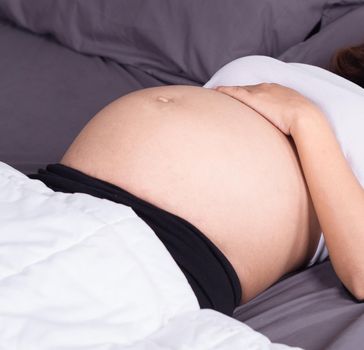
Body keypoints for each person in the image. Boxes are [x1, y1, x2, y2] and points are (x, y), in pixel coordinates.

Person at [29, 43, 364, 317]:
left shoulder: (315, 114)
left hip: (173, 246)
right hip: (62, 190)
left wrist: (305, 120)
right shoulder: (315, 73)